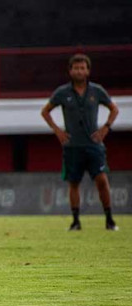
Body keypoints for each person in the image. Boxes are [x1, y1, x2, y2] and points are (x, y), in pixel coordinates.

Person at [41, 53, 120, 231]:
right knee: (73, 183)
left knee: (101, 180)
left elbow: (114, 109)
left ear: (88, 71)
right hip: (72, 146)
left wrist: (105, 128)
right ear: (70, 71)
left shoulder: (97, 91)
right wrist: (58, 131)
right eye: (76, 68)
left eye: (82, 68)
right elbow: (45, 111)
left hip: (94, 145)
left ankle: (109, 220)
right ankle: (76, 221)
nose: (79, 71)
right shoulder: (62, 92)